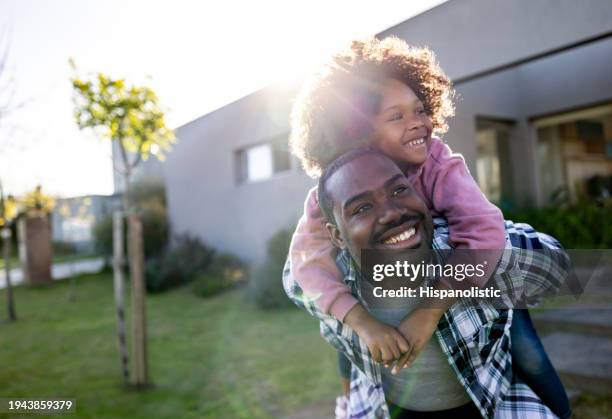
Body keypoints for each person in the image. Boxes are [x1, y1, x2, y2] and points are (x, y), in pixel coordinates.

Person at [286, 37, 570, 418]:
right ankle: (348, 402)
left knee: (529, 353)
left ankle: (561, 411)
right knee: (345, 343)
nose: (418, 123)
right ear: (358, 132)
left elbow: (486, 232)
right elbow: (305, 266)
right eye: (396, 116)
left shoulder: (437, 162)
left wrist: (429, 310)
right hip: (377, 320)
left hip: (480, 277)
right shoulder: (333, 190)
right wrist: (361, 321)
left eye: (420, 110)